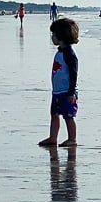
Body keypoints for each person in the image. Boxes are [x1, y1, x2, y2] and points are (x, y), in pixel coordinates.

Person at [38, 17, 79, 149]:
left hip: (67, 92)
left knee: (68, 116)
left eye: (53, 35)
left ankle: (72, 138)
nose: (52, 37)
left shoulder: (69, 55)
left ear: (61, 36)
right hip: (57, 92)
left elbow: (74, 74)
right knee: (54, 114)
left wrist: (71, 92)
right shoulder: (60, 52)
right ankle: (53, 137)